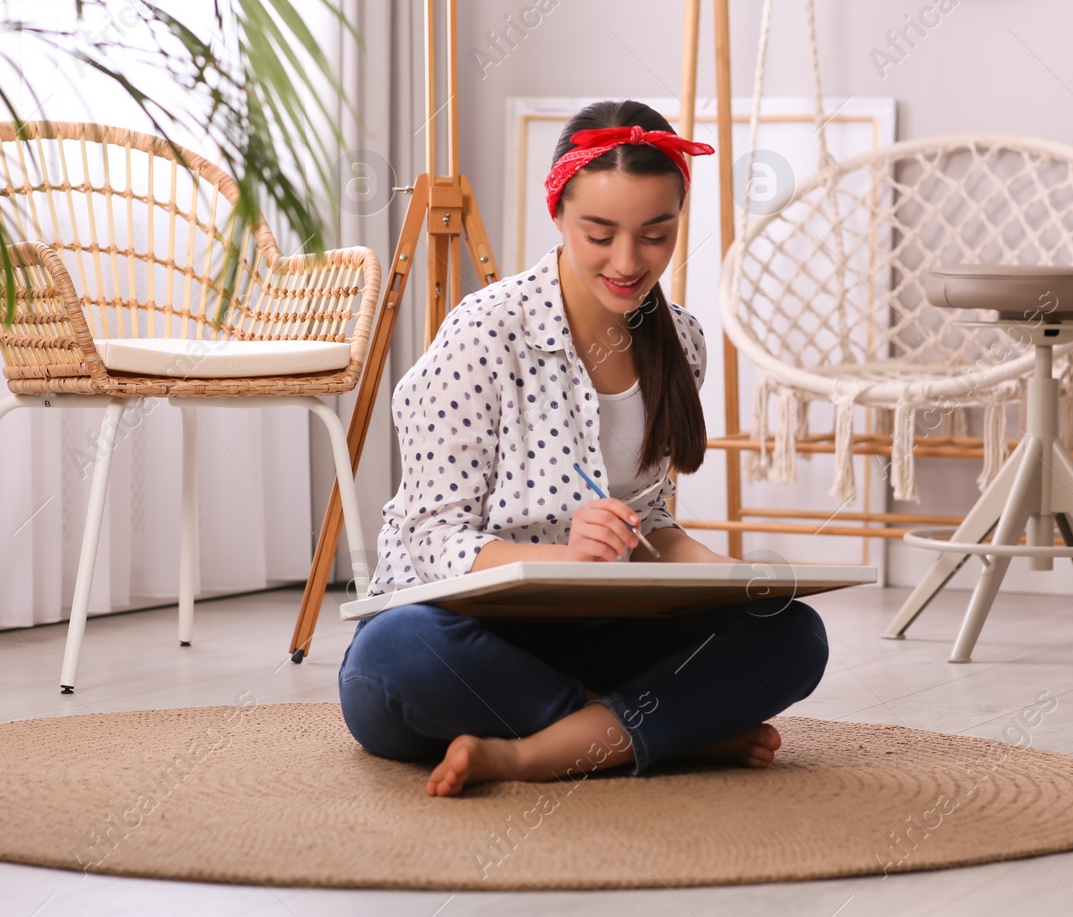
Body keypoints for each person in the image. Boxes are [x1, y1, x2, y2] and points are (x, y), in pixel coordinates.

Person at [338, 99, 829, 797]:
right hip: (469, 635)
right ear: (558, 215)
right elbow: (430, 538)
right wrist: (564, 555)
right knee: (392, 658)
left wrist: (732, 579)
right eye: (599, 234)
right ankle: (654, 732)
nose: (628, 262)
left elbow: (648, 525)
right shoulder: (485, 333)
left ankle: (531, 753)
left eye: (656, 235)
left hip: (601, 628)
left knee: (794, 634)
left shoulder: (681, 340)